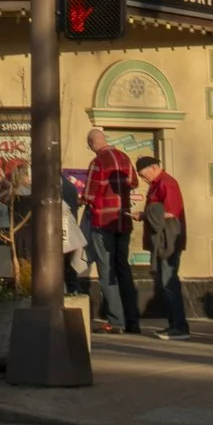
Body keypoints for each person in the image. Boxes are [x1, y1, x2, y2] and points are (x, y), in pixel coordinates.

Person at [80, 128, 144, 336]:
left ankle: (116, 321)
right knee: (123, 269)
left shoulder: (97, 162)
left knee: (107, 271)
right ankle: (133, 321)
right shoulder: (124, 157)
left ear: (92, 143)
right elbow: (134, 182)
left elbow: (89, 194)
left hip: (103, 221)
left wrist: (83, 199)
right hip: (123, 222)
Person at [136, 155, 190, 340]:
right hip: (162, 239)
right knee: (164, 281)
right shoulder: (157, 184)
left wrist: (145, 215)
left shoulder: (167, 183)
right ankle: (173, 324)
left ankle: (180, 326)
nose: (144, 179)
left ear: (153, 167)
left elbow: (170, 212)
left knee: (169, 281)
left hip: (170, 238)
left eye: (144, 175)